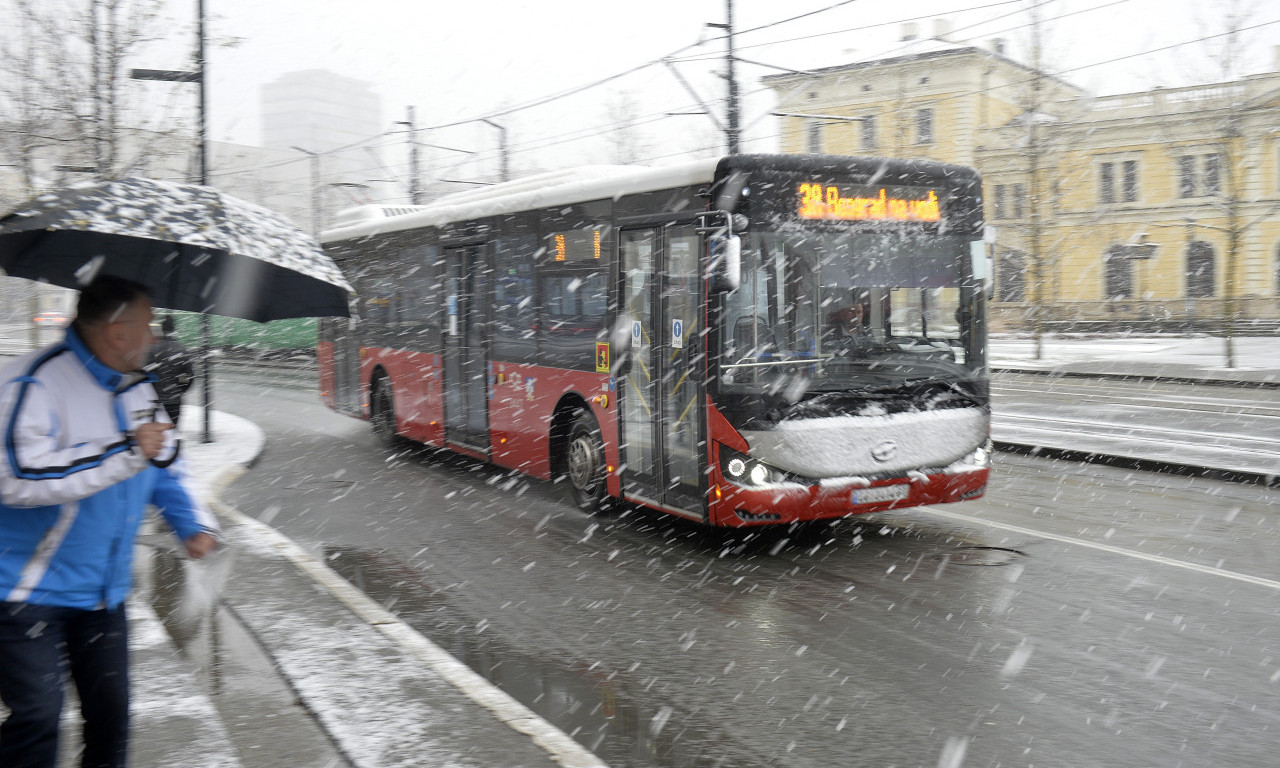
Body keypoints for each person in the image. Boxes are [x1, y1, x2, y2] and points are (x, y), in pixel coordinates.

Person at [0, 275, 220, 768]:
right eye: (146, 325)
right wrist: (123, 450)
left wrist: (191, 523)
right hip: (24, 592)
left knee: (111, 719)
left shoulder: (138, 387)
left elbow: (162, 463)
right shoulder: (31, 383)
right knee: (37, 716)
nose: (154, 336)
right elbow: (18, 476)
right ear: (117, 332)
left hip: (103, 593)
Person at [147, 315, 196, 426]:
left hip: (154, 402)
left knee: (155, 437)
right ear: (174, 330)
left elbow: (145, 374)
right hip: (173, 403)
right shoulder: (181, 350)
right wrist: (178, 391)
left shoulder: (152, 348)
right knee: (171, 433)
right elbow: (187, 377)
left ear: (161, 329)